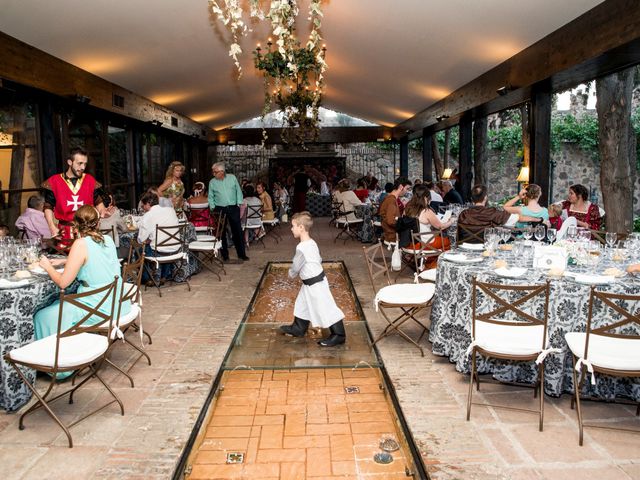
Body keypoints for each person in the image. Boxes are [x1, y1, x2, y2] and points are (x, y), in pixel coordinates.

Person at [34, 205, 130, 378]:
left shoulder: (80, 244)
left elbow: (63, 283)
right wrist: (65, 261)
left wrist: (48, 266)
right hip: (116, 301)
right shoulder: (106, 240)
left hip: (99, 306)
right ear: (98, 222)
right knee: (59, 305)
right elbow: (93, 259)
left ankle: (63, 367)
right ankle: (76, 352)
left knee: (44, 315)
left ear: (75, 225)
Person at [279, 212, 346, 347]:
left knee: (327, 308)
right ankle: (298, 328)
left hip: (315, 284)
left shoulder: (301, 247)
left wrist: (290, 274)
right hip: (313, 282)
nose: (291, 229)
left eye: (293, 226)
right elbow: (319, 259)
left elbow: (296, 267)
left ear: (301, 227)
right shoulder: (312, 242)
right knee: (301, 304)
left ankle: (339, 335)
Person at [41, 147, 107, 244]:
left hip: (87, 233)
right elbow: (48, 206)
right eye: (80, 163)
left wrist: (103, 211)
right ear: (70, 162)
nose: (83, 167)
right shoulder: (55, 181)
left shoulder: (89, 180)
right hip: (64, 234)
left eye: (85, 164)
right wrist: (52, 227)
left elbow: (98, 203)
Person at [208, 162, 248, 261]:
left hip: (233, 207)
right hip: (220, 208)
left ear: (222, 172)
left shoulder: (232, 178)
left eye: (215, 172)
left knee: (237, 231)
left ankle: (241, 254)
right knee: (221, 233)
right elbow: (210, 196)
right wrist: (213, 207)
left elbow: (238, 191)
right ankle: (225, 255)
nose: (213, 174)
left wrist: (239, 203)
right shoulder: (212, 182)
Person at [137, 191, 181, 284]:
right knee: (165, 245)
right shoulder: (170, 210)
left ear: (148, 204)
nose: (143, 208)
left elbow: (141, 240)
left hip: (159, 253)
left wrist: (148, 239)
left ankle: (148, 279)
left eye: (143, 205)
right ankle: (163, 276)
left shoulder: (148, 215)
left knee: (140, 250)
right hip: (175, 250)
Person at [398, 184, 454, 249]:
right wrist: (451, 221)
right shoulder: (426, 211)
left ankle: (428, 258)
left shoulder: (407, 208)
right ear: (425, 198)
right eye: (429, 199)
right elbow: (441, 226)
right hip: (424, 244)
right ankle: (431, 258)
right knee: (447, 242)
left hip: (408, 244)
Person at [379, 177, 412, 243]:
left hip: (391, 234)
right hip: (393, 236)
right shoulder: (391, 200)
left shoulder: (391, 198)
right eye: (407, 188)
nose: (407, 191)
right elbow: (391, 221)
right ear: (400, 187)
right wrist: (404, 224)